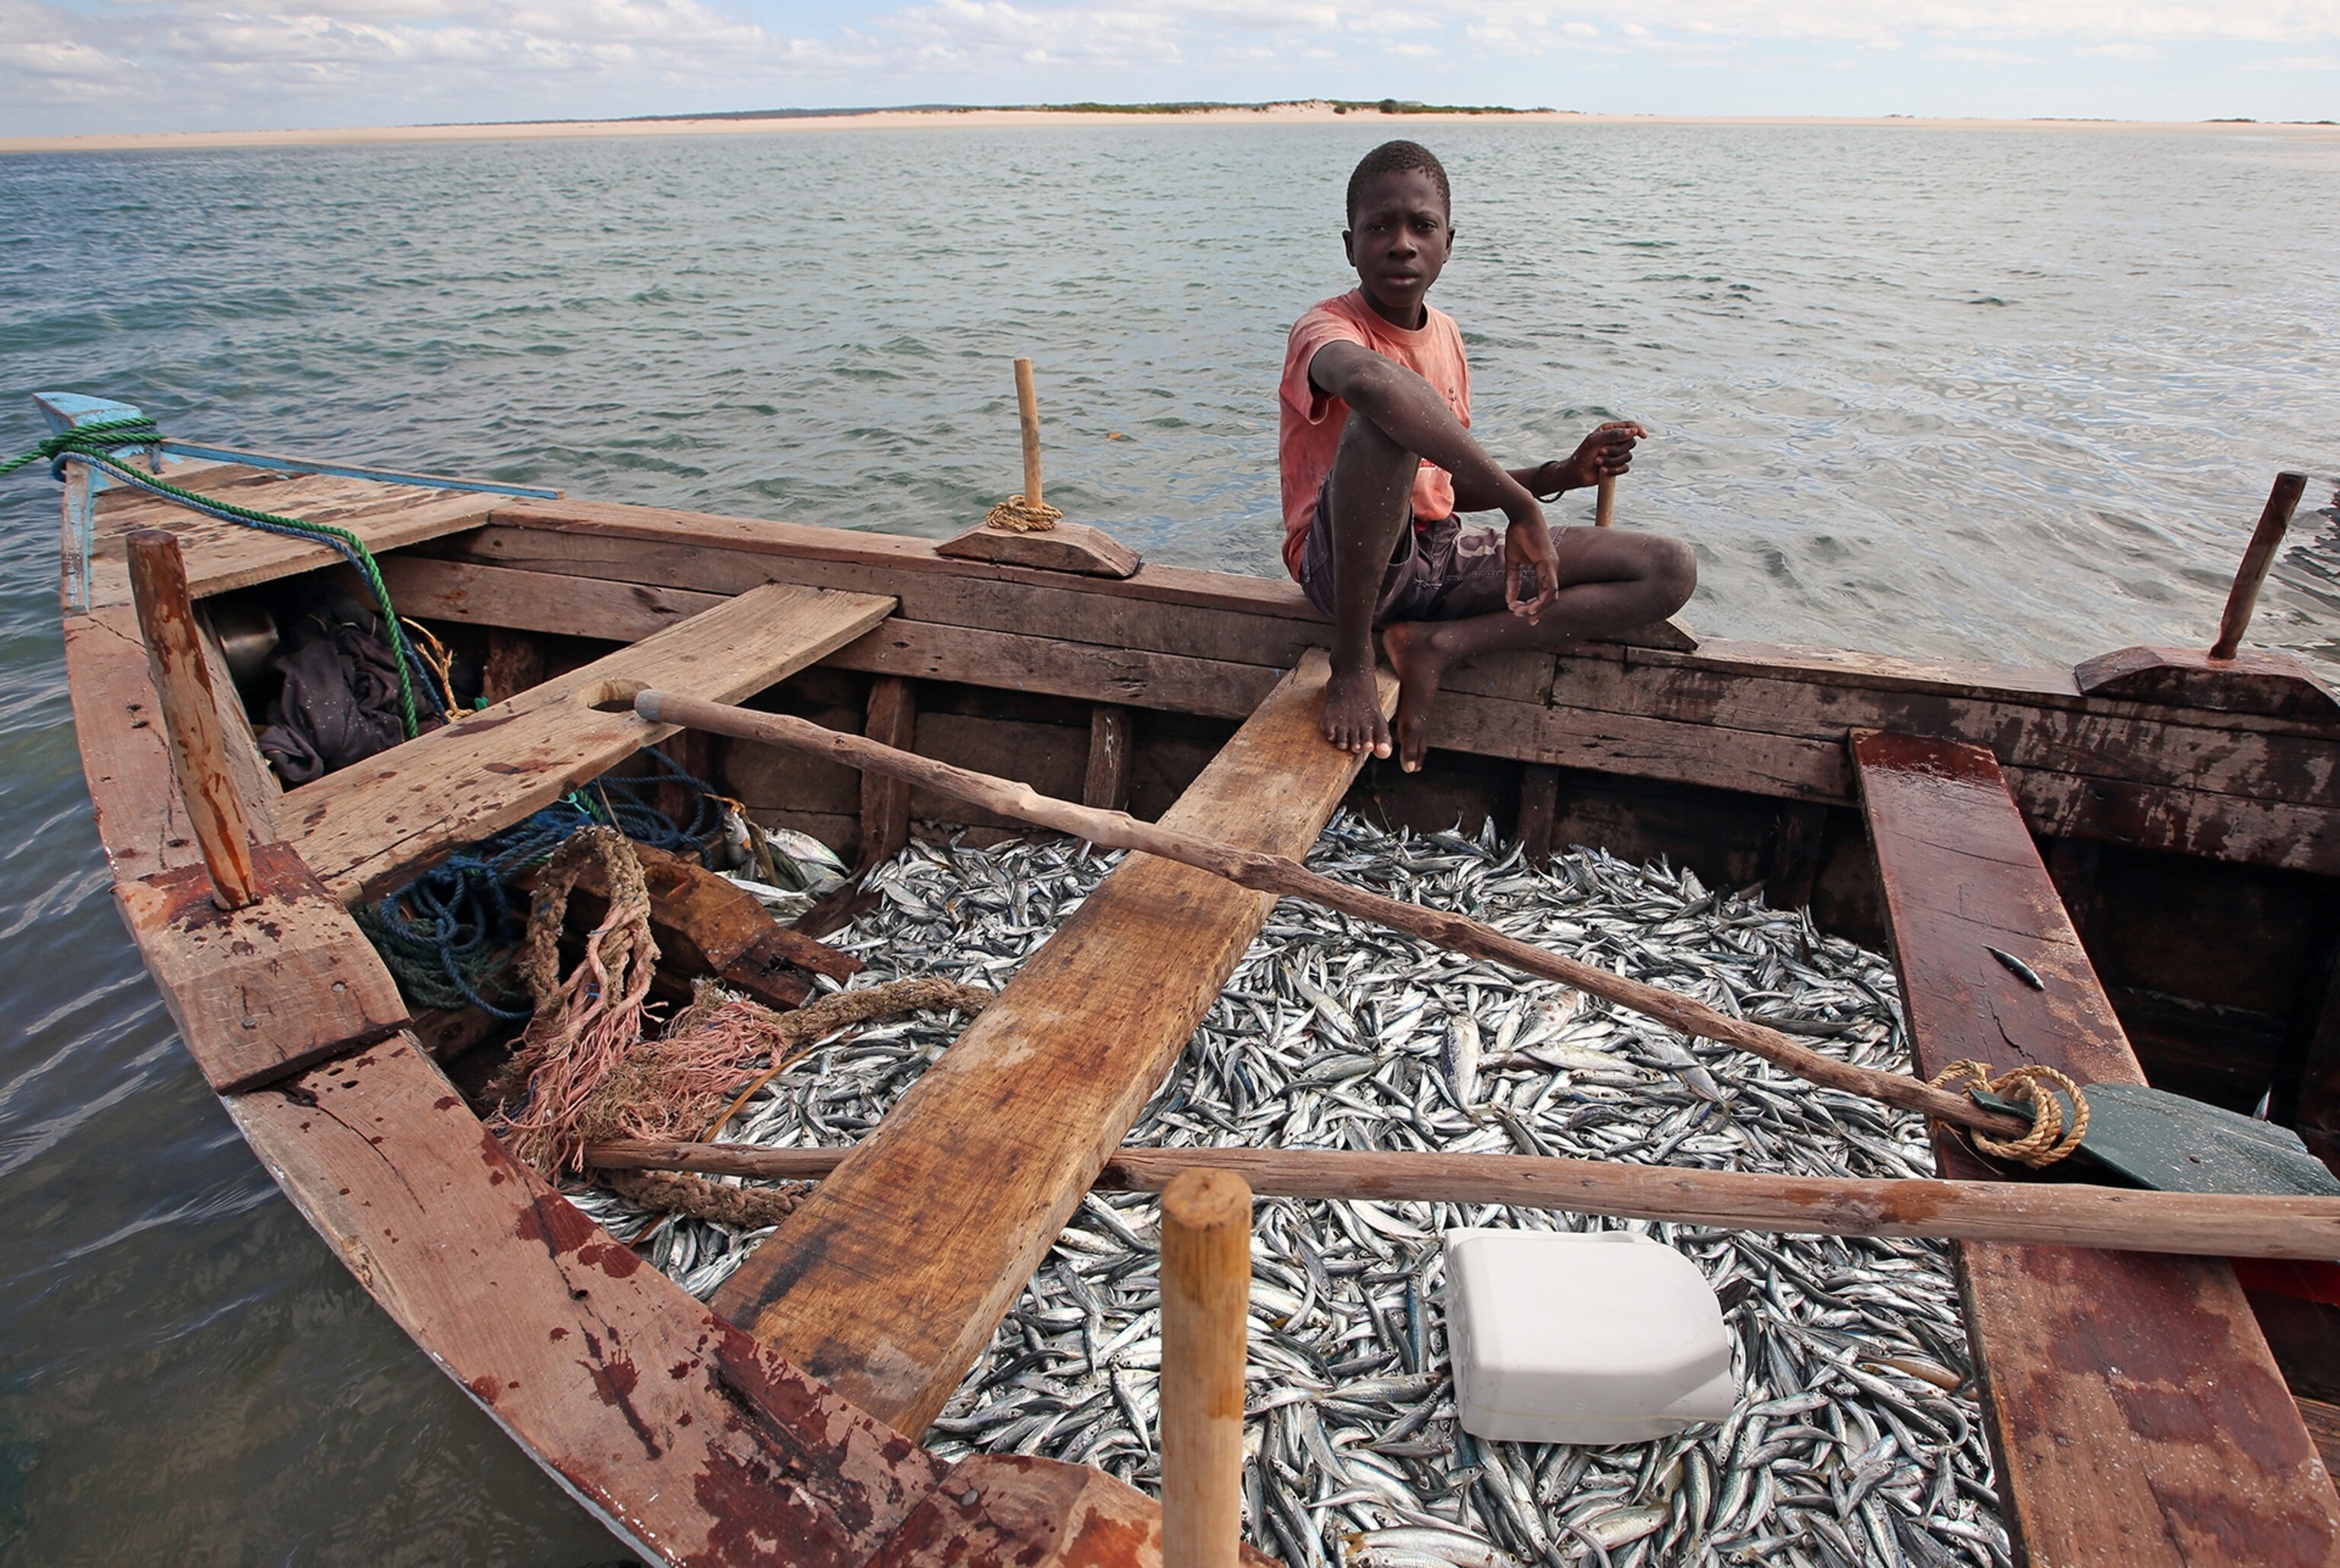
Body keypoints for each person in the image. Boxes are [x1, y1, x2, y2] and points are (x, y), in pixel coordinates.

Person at [1279, 140, 1697, 770]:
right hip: (1341, 573)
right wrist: (1517, 500)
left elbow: (1438, 485)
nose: (1401, 243)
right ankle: (1353, 659)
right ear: (1349, 245)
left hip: (1435, 556)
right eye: (1379, 228)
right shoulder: (1325, 329)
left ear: (1449, 242)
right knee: (1386, 421)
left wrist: (1561, 475)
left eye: (1422, 226)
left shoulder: (1445, 333)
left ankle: (1438, 645)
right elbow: (1371, 387)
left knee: (1668, 568)